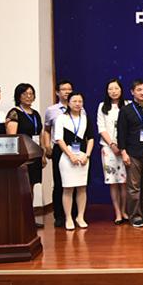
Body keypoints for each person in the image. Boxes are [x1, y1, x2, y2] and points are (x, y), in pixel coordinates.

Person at [117, 79, 143, 228]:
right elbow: (121, 133)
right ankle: (135, 216)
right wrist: (123, 152)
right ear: (132, 92)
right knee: (134, 188)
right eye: (139, 90)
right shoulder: (126, 110)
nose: (142, 93)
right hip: (133, 153)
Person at [5, 83, 47, 227]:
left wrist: (42, 154)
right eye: (25, 94)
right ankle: (19, 219)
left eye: (31, 94)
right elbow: (12, 138)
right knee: (21, 188)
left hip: (35, 155)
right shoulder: (14, 113)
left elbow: (40, 135)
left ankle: (29, 219)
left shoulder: (35, 114)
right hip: (22, 157)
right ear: (18, 96)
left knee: (31, 186)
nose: (28, 96)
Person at [53, 92, 94, 230]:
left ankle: (80, 216)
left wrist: (87, 155)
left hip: (83, 157)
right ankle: (68, 217)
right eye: (74, 101)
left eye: (80, 101)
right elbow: (59, 139)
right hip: (67, 157)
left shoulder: (85, 118)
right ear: (68, 103)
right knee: (68, 188)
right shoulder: (61, 118)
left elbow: (91, 138)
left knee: (82, 188)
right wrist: (70, 155)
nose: (77, 104)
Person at [97, 79, 130, 225]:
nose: (113, 91)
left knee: (125, 182)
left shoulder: (128, 104)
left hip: (125, 149)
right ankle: (117, 213)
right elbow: (101, 128)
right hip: (108, 148)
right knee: (113, 182)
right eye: (110, 89)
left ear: (121, 90)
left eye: (116, 88)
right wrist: (112, 144)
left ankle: (124, 211)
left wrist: (122, 147)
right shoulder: (102, 106)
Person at [42, 80, 74, 228]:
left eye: (69, 89)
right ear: (57, 92)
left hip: (75, 150)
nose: (67, 92)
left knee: (74, 182)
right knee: (59, 182)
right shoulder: (51, 110)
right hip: (58, 149)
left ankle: (74, 214)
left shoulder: (79, 107)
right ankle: (59, 216)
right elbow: (47, 130)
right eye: (64, 89)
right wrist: (47, 146)